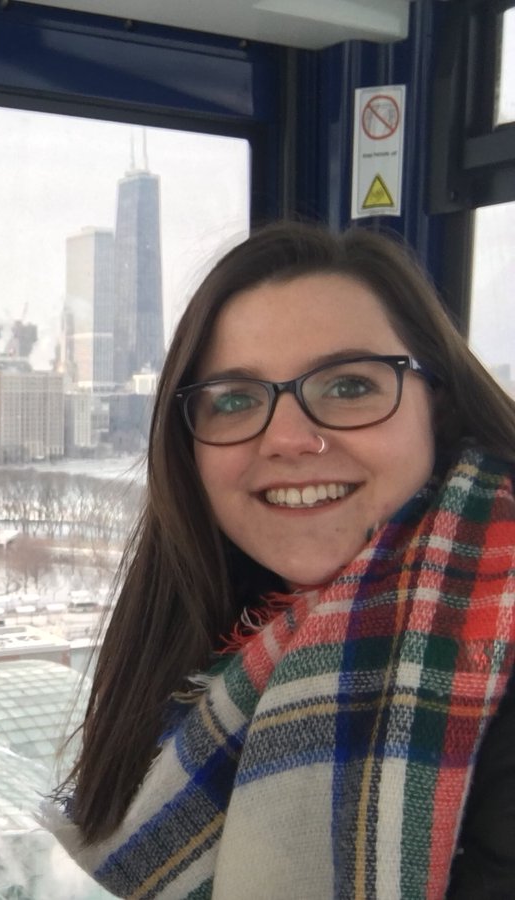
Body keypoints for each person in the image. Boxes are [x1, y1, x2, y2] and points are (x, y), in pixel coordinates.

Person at [47, 221, 515, 898]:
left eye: (350, 387)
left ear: (435, 408)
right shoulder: (203, 638)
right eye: (235, 400)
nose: (290, 438)